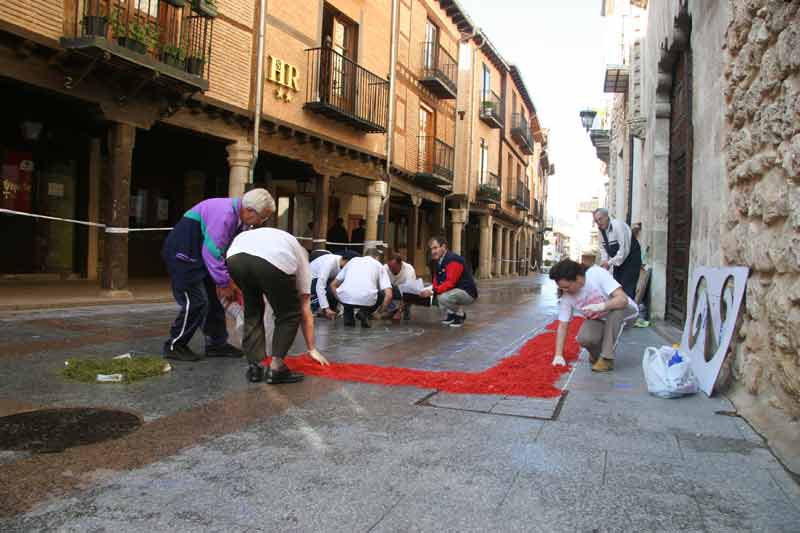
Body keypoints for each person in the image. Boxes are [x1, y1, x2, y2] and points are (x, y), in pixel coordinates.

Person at [161, 188, 272, 362]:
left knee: (214, 301)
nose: (261, 222)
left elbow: (227, 252)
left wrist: (231, 280)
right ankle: (175, 345)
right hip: (184, 255)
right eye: (262, 217)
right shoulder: (225, 213)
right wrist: (223, 283)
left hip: (199, 257)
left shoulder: (240, 219)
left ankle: (216, 344)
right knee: (196, 301)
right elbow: (212, 252)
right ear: (250, 210)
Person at [226, 226, 330, 384]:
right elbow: (304, 308)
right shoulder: (301, 258)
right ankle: (276, 368)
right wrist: (312, 349)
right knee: (289, 314)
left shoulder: (277, 238)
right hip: (272, 261)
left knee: (253, 310)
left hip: (235, 258)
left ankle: (255, 367)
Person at [549, 258, 639, 373]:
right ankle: (597, 356)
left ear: (578, 279)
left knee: (615, 313)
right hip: (600, 319)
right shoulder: (566, 297)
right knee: (585, 338)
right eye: (561, 288)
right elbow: (562, 325)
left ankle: (607, 358)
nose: (564, 291)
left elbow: (623, 300)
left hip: (625, 312)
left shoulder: (596, 274)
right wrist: (558, 355)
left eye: (567, 287)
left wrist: (602, 306)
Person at [419, 235, 478, 328]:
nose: (433, 251)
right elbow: (436, 279)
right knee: (436, 297)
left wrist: (432, 291)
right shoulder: (438, 260)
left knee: (442, 298)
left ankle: (460, 315)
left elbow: (450, 283)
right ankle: (451, 315)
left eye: (435, 248)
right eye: (431, 249)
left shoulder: (453, 259)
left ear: (444, 247)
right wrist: (429, 290)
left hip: (467, 293)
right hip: (455, 290)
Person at [331, 246, 392, 328]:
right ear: (377, 257)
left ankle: (349, 316)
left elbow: (333, 285)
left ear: (364, 255)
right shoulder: (379, 265)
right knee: (381, 294)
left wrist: (341, 300)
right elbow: (389, 295)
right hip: (367, 300)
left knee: (347, 293)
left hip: (346, 298)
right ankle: (365, 312)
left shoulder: (352, 261)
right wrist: (379, 312)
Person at [592, 208, 642, 300]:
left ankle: (629, 311)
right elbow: (603, 248)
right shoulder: (601, 231)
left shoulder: (618, 226)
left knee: (628, 287)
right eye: (596, 221)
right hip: (618, 260)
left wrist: (609, 263)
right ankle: (619, 309)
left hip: (631, 259)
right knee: (616, 286)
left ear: (607, 217)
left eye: (600, 219)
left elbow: (623, 251)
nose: (598, 222)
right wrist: (604, 260)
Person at [309, 249, 359, 319]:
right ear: (346, 261)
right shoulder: (329, 262)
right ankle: (321, 308)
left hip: (326, 282)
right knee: (332, 287)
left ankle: (331, 309)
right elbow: (320, 286)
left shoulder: (343, 266)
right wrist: (326, 308)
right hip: (311, 282)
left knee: (337, 286)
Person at [384, 254, 425, 320]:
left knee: (411, 293)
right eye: (389, 267)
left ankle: (405, 310)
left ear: (400, 264)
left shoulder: (409, 270)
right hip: (391, 289)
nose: (391, 269)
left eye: (393, 267)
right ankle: (392, 310)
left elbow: (409, 292)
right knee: (382, 291)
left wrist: (399, 312)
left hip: (405, 291)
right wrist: (382, 308)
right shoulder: (385, 268)